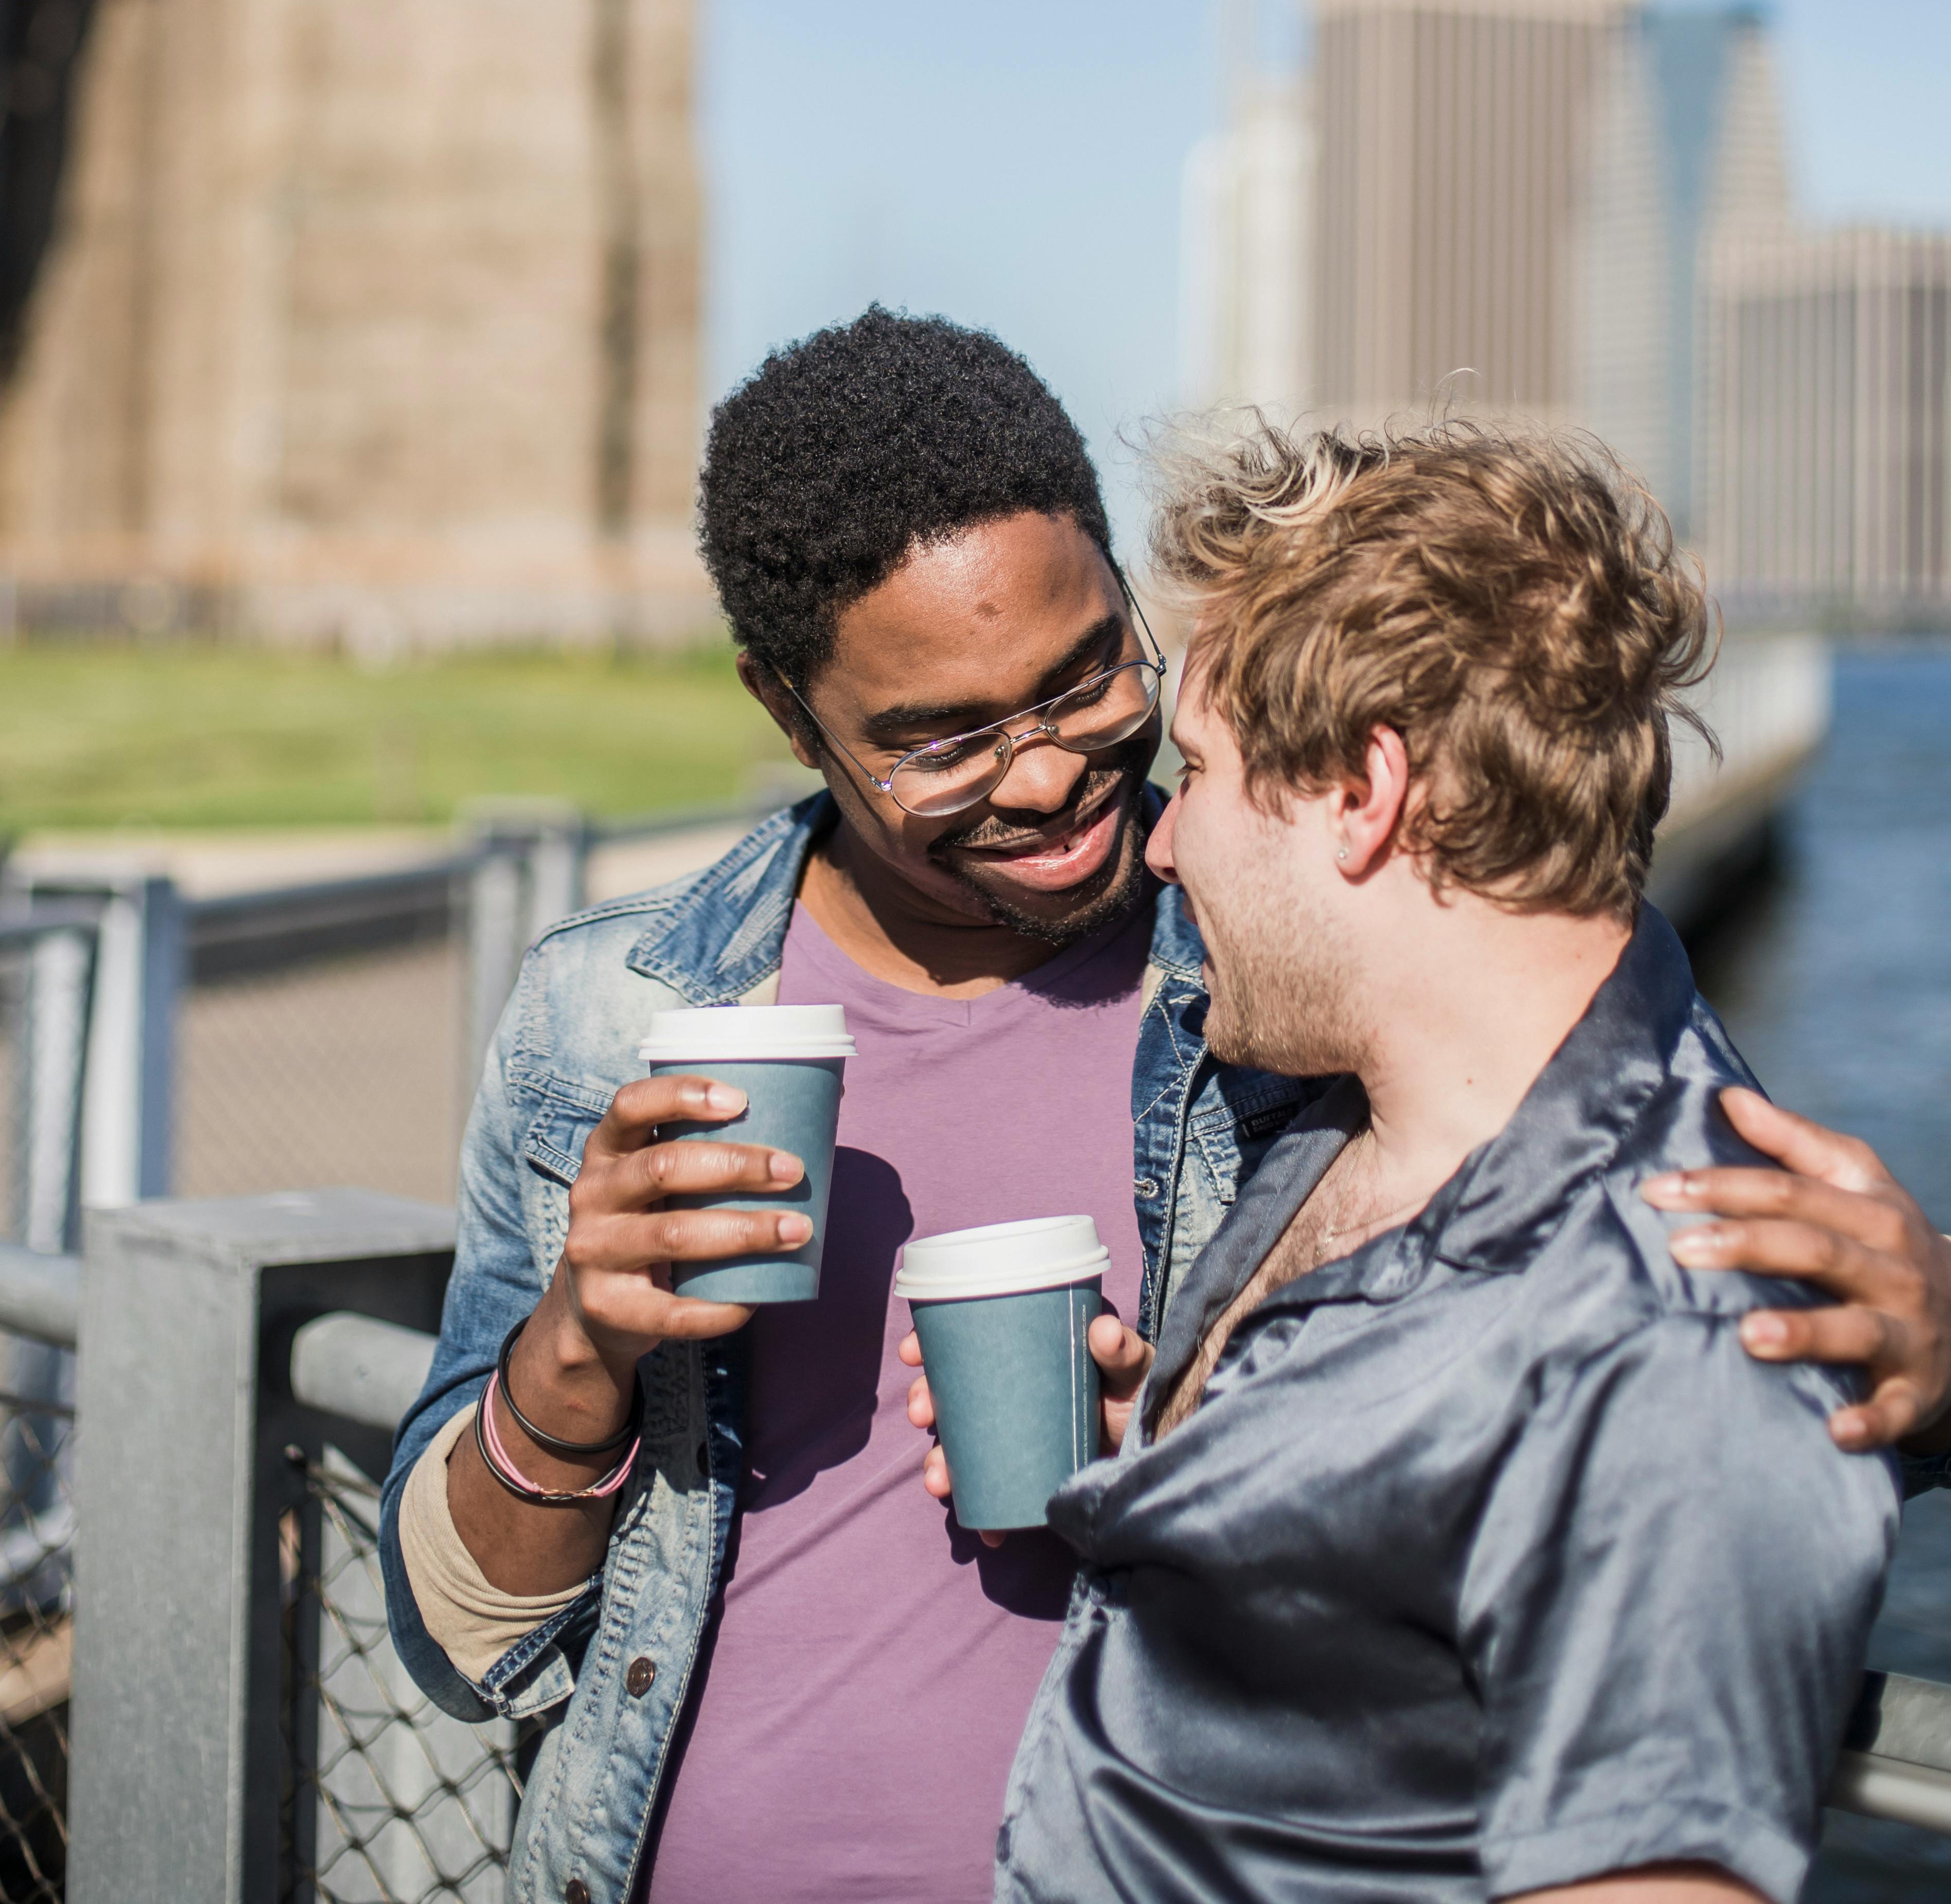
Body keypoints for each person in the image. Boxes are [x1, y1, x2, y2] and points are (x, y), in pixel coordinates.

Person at [380, 313, 1951, 1904]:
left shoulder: (1296, 955)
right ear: (791, 716)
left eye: (1084, 681)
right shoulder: (611, 1016)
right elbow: (458, 1648)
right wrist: (579, 1346)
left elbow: (1667, 1232)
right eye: (944, 737)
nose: (1059, 778)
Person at [993, 419, 1914, 1904]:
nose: (1165, 847)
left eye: (1205, 773)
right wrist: (1195, 1458)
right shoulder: (1338, 1124)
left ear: (1367, 790)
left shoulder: (1667, 1329)